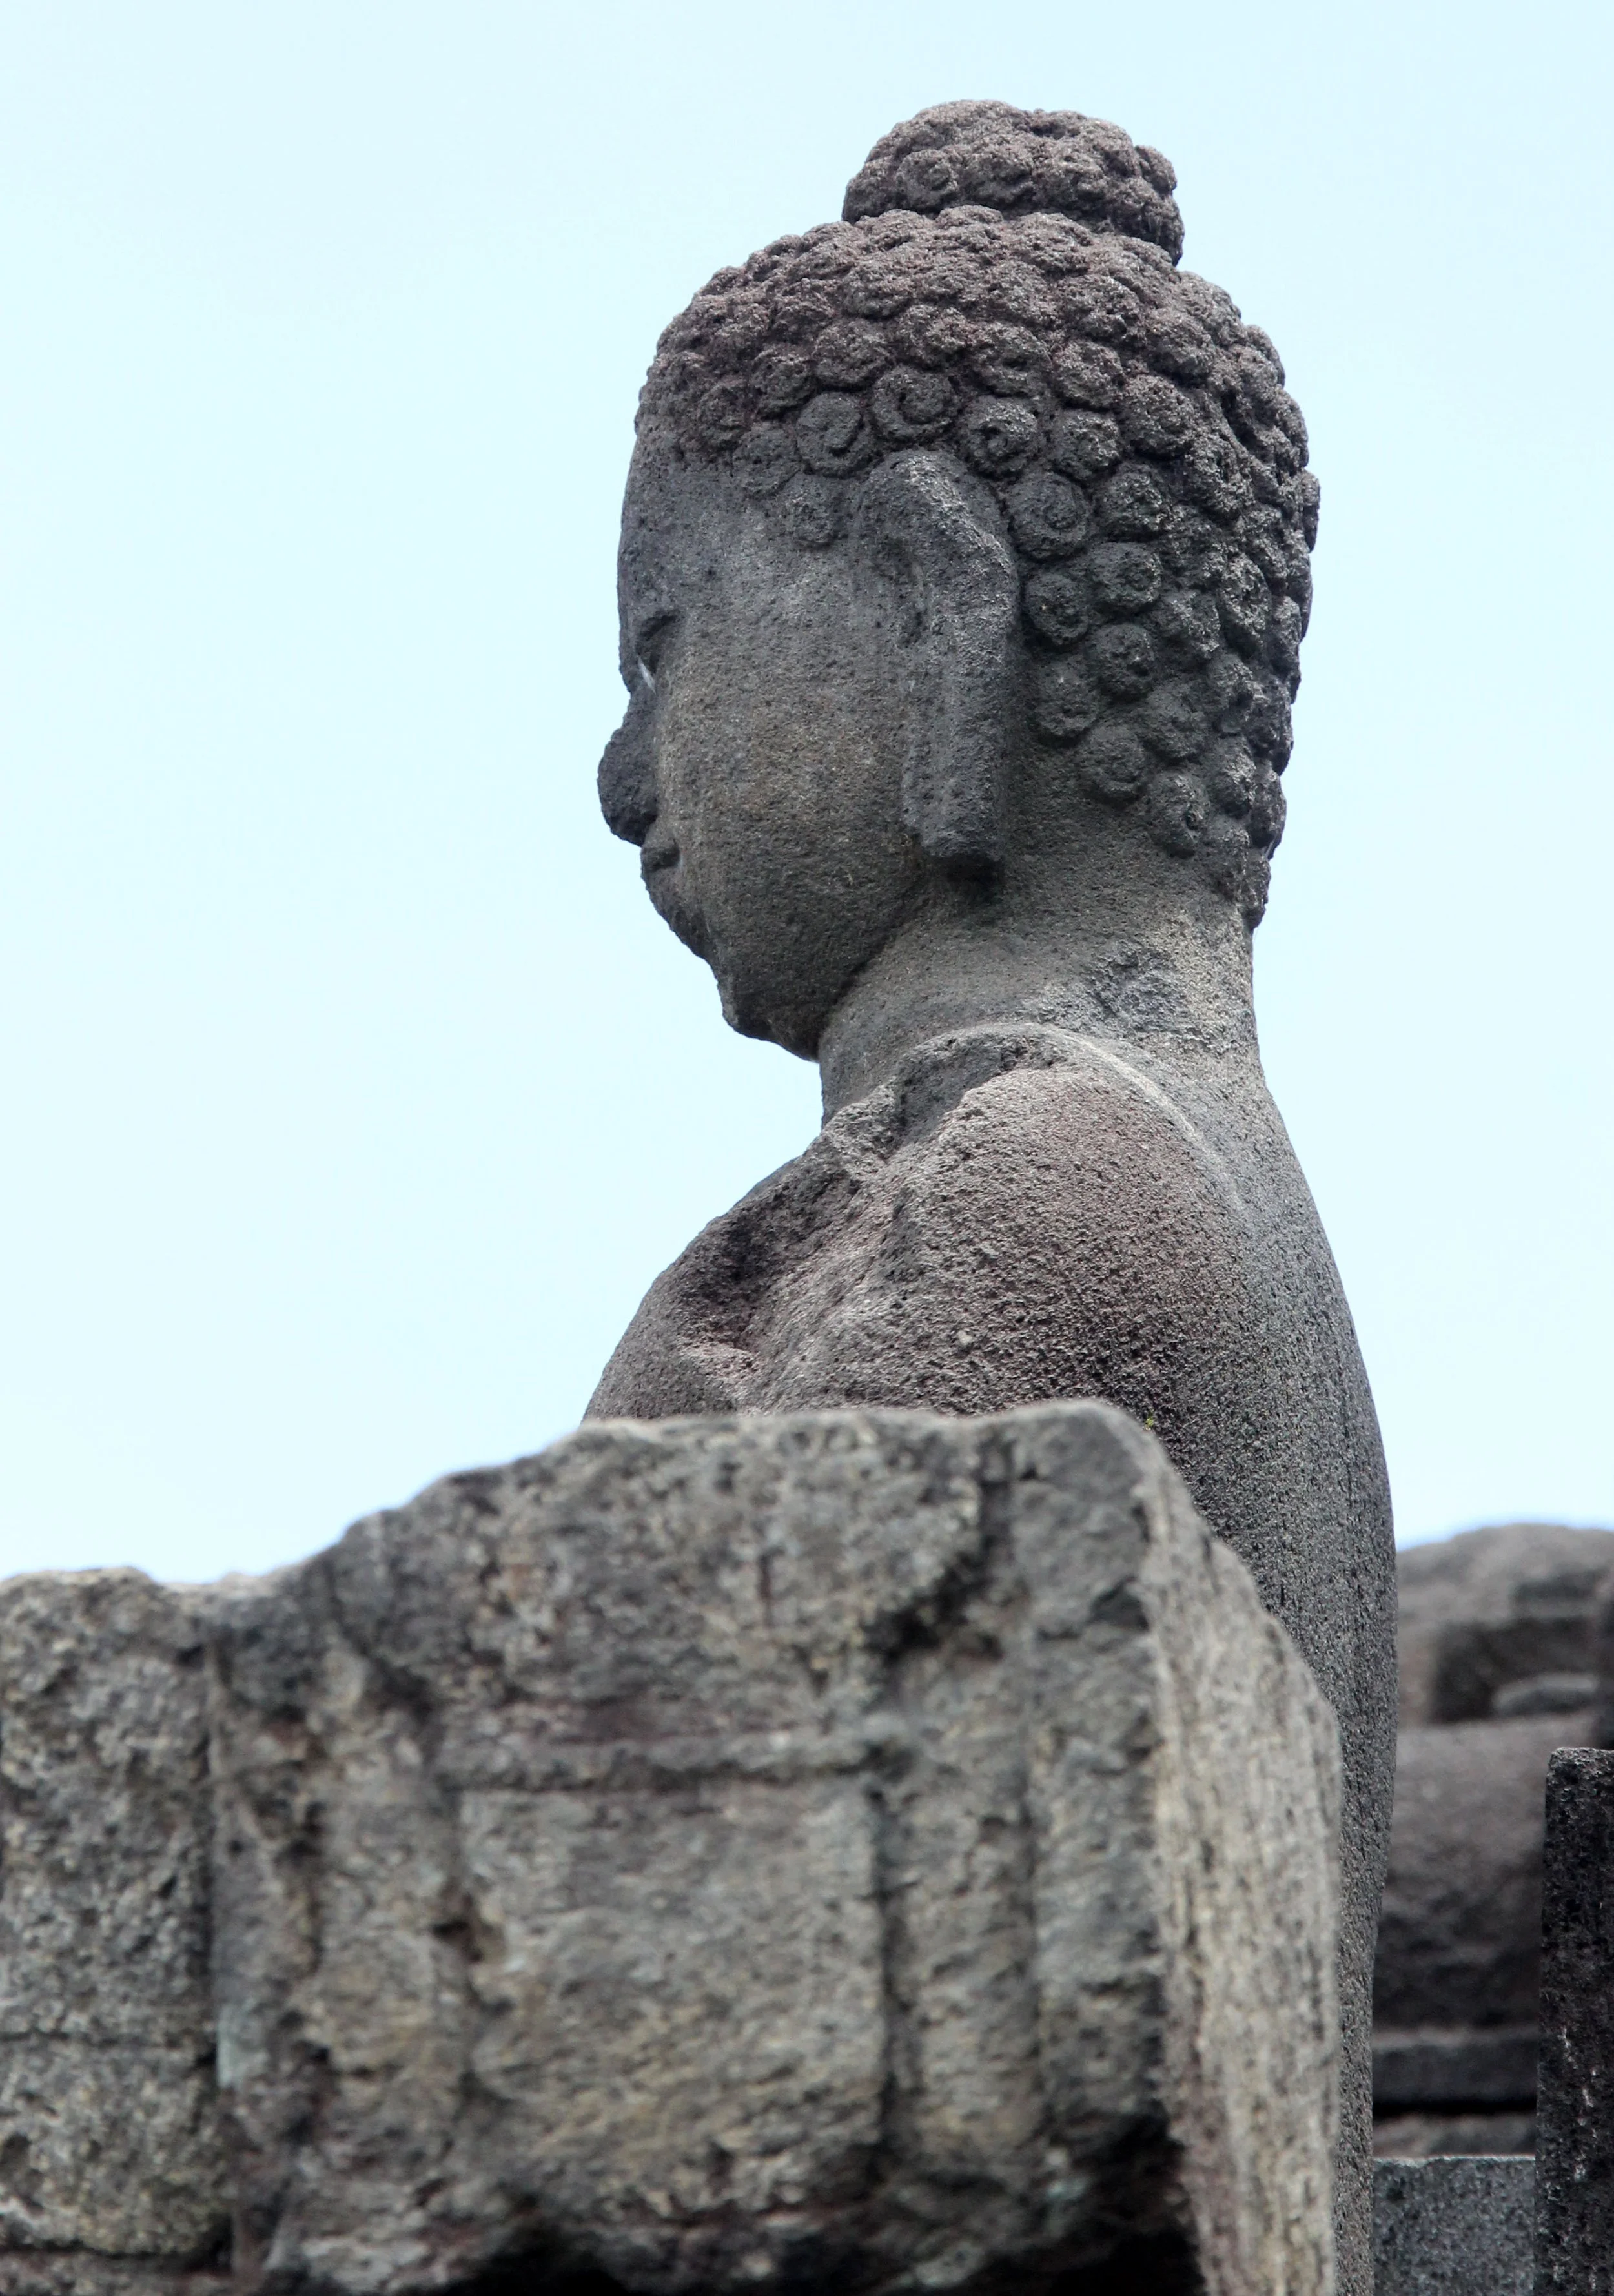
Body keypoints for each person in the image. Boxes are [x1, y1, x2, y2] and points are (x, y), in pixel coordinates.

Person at [590, 99, 1395, 2296]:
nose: (624, 780)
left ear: (943, 618)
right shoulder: (1204, 1205)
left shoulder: (1019, 1195)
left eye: (669, 647)